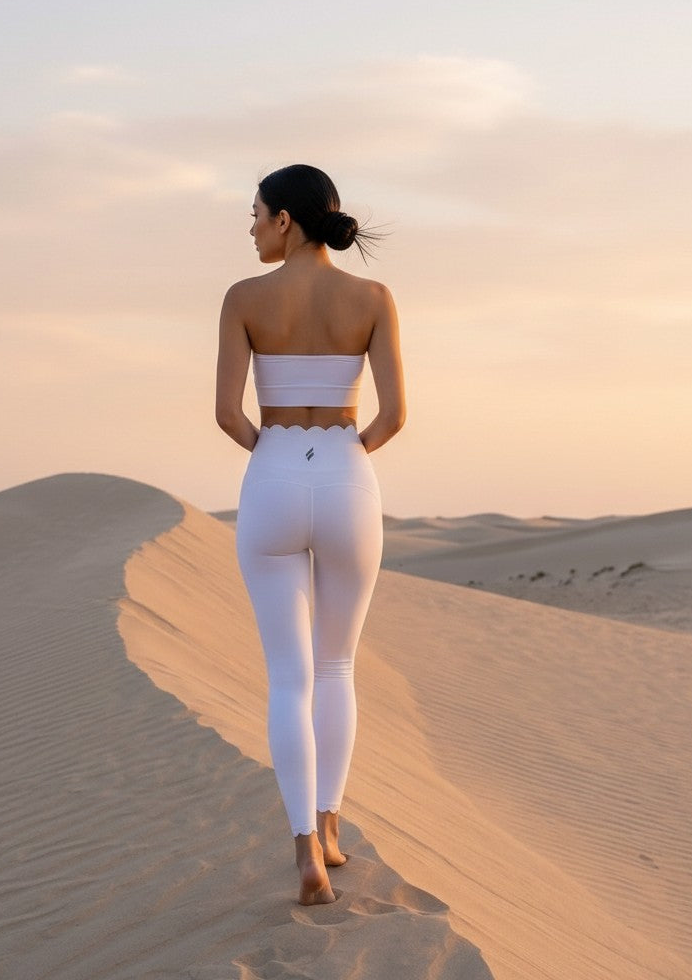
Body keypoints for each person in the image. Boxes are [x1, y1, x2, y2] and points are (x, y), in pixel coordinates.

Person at [215, 164, 406, 905]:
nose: (253, 226)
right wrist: (340, 456)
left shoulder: (244, 298)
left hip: (272, 478)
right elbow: (392, 417)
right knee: (336, 669)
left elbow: (229, 415)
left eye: (257, 213)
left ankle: (304, 851)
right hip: (345, 476)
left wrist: (274, 455)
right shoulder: (372, 299)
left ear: (286, 220)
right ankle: (331, 826)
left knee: (288, 676)